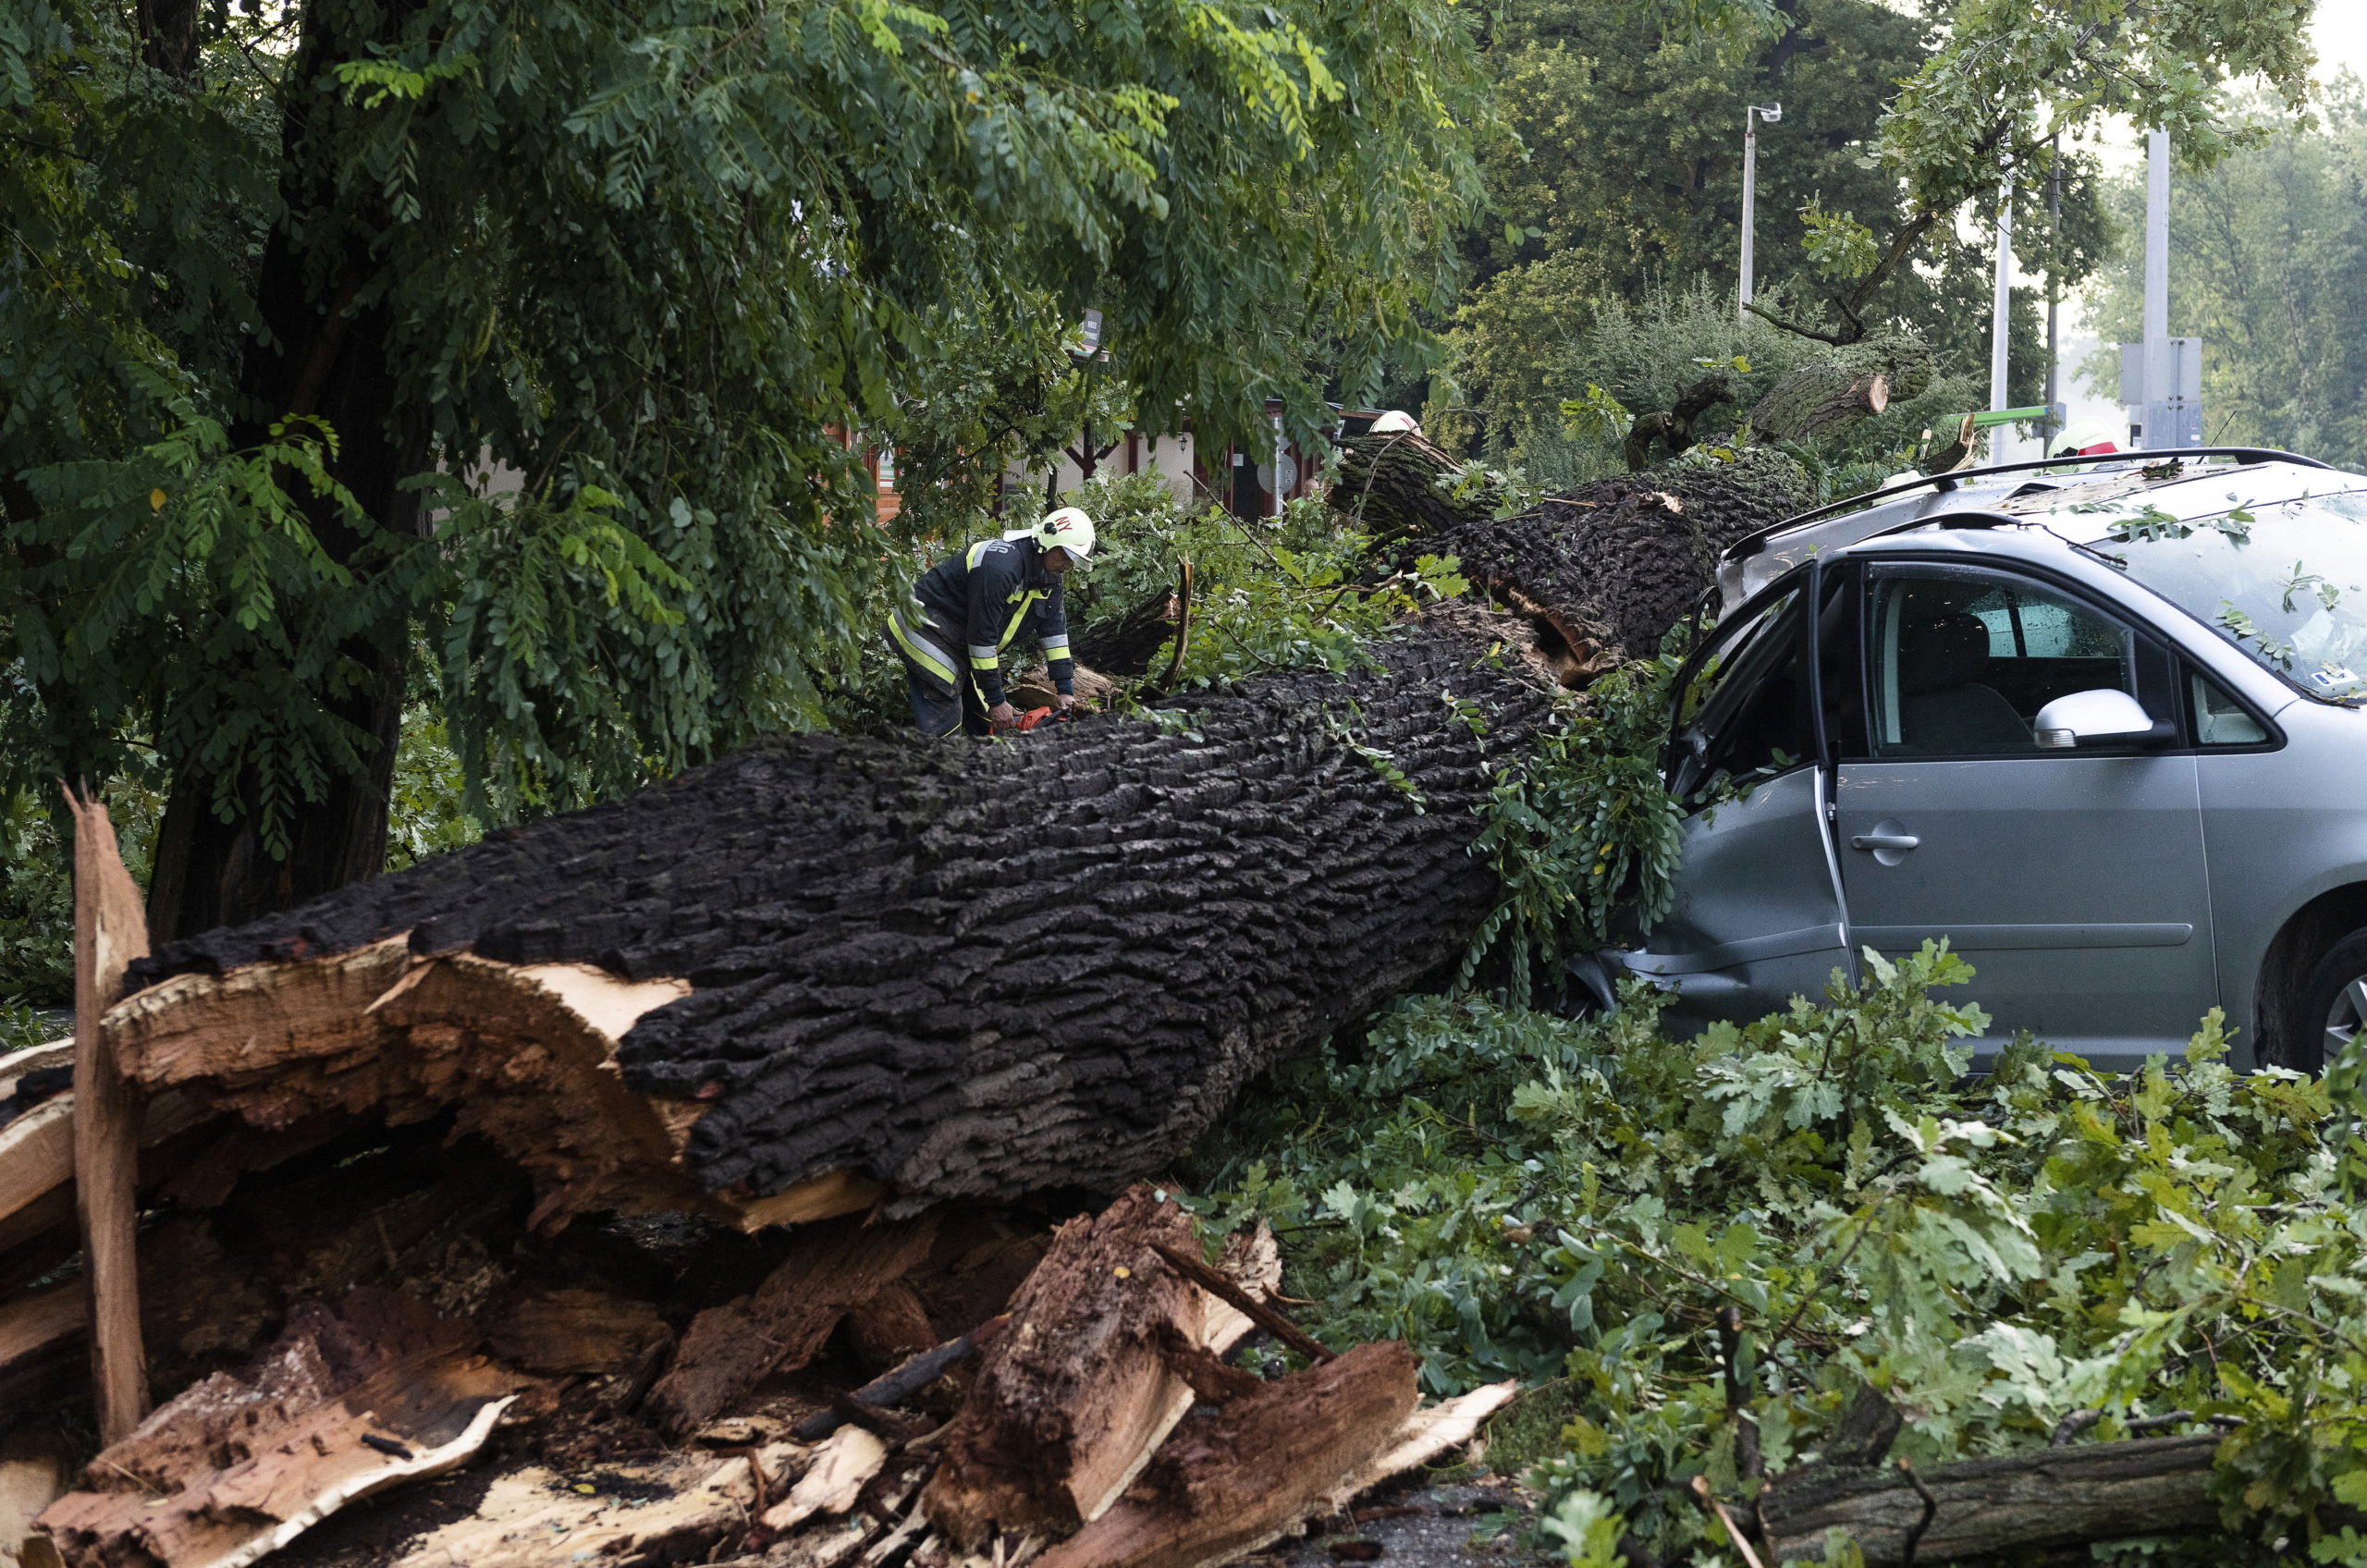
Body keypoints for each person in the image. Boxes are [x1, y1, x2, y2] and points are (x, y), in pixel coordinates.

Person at [887, 507, 1097, 737]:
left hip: (960, 639)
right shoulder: (1000, 567)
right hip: (924, 627)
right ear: (1047, 541)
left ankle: (981, 764)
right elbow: (982, 638)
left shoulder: (1049, 576)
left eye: (1074, 559)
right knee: (945, 716)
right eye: (1065, 555)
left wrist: (1064, 689)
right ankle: (937, 766)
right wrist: (997, 701)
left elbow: (1054, 633)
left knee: (984, 714)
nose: (1068, 564)